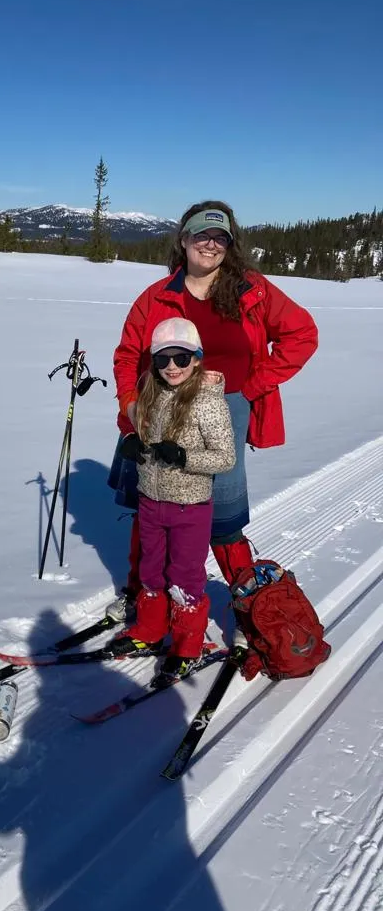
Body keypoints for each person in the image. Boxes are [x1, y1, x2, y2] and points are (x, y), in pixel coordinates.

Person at [106, 200, 319, 625]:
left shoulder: (251, 289)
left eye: (220, 237)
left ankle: (249, 610)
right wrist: (130, 409)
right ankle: (140, 593)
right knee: (151, 502)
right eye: (202, 235)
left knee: (221, 513)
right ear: (184, 240)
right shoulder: (157, 296)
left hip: (225, 411)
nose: (211, 244)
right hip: (157, 410)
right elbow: (128, 354)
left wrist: (252, 386)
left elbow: (302, 334)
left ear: (230, 245)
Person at [108, 318, 235, 683]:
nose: (172, 367)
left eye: (181, 358)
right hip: (151, 501)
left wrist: (183, 457)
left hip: (189, 508)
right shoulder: (152, 392)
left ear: (196, 358)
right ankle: (149, 630)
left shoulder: (208, 403)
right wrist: (134, 441)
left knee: (183, 579)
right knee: (151, 572)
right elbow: (146, 434)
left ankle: (186, 644)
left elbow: (225, 457)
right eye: (163, 359)